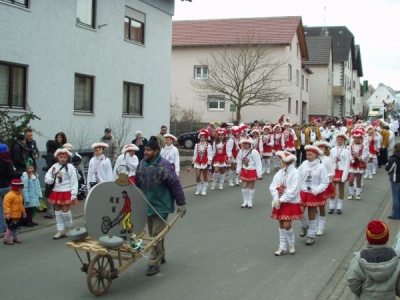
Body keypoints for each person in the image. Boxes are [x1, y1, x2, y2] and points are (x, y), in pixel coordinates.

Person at [135, 136, 186, 276]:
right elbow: (137, 184)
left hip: (161, 205)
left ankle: (153, 263)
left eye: (149, 150)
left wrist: (181, 203)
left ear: (156, 151)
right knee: (154, 234)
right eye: (145, 149)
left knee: (156, 236)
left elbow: (175, 184)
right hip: (147, 204)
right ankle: (161, 255)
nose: (145, 152)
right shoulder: (141, 164)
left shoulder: (164, 165)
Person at [347, 220, 400, 299]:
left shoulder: (358, 259)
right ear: (387, 237)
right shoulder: (396, 259)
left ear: (368, 238)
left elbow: (352, 280)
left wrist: (361, 293)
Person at [270, 151, 303, 255]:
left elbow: (294, 189)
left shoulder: (295, 172)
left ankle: (291, 243)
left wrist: (282, 199)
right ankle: (282, 246)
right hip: (279, 202)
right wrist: (276, 198)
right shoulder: (280, 172)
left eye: (281, 160)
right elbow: (273, 186)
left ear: (286, 161)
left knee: (287, 224)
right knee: (281, 224)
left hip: (290, 202)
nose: (280, 162)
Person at [298, 145, 329, 246]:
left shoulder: (321, 167)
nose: (307, 156)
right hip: (303, 191)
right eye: (306, 154)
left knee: (312, 214)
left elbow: (325, 181)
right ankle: (304, 226)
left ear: (315, 155)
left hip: (314, 193)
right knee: (299, 212)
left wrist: (317, 190)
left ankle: (311, 236)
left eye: (310, 155)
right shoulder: (303, 164)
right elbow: (297, 176)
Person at [45, 147, 78, 239]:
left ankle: (69, 228)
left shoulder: (70, 167)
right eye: (60, 157)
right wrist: (54, 178)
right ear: (57, 157)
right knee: (58, 212)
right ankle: (60, 230)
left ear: (67, 158)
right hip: (56, 191)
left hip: (66, 191)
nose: (62, 159)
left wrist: (74, 193)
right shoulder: (54, 167)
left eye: (64, 157)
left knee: (65, 212)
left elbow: (74, 181)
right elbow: (47, 178)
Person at [313, 141, 335, 236]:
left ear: (326, 149)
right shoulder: (313, 159)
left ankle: (321, 227)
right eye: (319, 148)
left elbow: (331, 172)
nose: (321, 150)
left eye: (322, 148)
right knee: (313, 207)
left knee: (321, 206)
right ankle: (314, 225)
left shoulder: (327, 160)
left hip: (323, 185)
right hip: (313, 185)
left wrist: (324, 177)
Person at [236, 136, 263, 208]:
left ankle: (250, 201)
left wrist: (259, 174)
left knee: (251, 186)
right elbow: (238, 161)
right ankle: (245, 201)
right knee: (244, 186)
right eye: (244, 144)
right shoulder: (241, 151)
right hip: (245, 170)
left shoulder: (254, 152)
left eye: (246, 144)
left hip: (252, 170)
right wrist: (238, 170)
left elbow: (258, 163)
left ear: (250, 144)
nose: (245, 145)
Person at [0, 143, 21, 234]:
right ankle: (12, 227)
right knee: (12, 207)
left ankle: (2, 228)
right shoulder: (8, 162)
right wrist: (20, 173)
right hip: (7, 187)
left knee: (0, 209)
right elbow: (12, 174)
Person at [329, 133, 350, 214]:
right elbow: (330, 162)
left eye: (341, 139)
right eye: (338, 139)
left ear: (344, 141)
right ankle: (332, 206)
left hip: (342, 171)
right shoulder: (332, 150)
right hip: (334, 171)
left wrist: (345, 175)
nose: (339, 141)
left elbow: (347, 163)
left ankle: (339, 207)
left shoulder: (346, 151)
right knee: (332, 190)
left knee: (341, 190)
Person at [3, 179, 26, 245]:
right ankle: (6, 239)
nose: (21, 190)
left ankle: (15, 237)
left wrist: (23, 212)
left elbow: (21, 205)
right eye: (20, 188)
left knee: (16, 226)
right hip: (10, 215)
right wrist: (7, 213)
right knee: (10, 227)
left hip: (17, 215)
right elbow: (6, 205)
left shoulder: (19, 196)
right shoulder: (9, 195)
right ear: (16, 188)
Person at [347, 129, 368, 200]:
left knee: (358, 181)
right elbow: (349, 155)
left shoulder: (364, 147)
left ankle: (358, 194)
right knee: (351, 180)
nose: (356, 139)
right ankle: (351, 193)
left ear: (360, 139)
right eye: (355, 138)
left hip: (360, 164)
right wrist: (352, 160)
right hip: (353, 164)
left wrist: (359, 158)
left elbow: (365, 155)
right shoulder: (350, 146)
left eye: (358, 138)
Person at [21, 158, 42, 227]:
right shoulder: (25, 177)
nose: (30, 169)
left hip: (34, 196)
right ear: (26, 169)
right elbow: (25, 188)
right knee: (28, 210)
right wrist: (26, 198)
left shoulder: (35, 176)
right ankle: (27, 221)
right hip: (29, 197)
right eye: (29, 168)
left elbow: (38, 186)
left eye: (31, 168)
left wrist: (39, 195)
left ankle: (30, 220)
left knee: (33, 209)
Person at [192, 129, 213, 196]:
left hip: (205, 161)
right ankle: (199, 188)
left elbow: (210, 154)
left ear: (206, 138)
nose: (202, 138)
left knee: (205, 176)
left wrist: (209, 163)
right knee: (197, 176)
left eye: (203, 137)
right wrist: (193, 161)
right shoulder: (196, 145)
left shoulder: (208, 145)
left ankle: (204, 190)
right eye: (201, 137)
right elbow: (195, 154)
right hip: (198, 161)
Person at [43, 139, 59, 219]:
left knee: (48, 194)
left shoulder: (49, 155)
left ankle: (50, 212)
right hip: (57, 177)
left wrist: (45, 169)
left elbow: (49, 167)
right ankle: (57, 211)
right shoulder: (56, 155)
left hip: (51, 177)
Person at [385, 142, 400, 220]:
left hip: (395, 178)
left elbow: (388, 168)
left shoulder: (393, 158)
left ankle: (396, 214)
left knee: (395, 196)